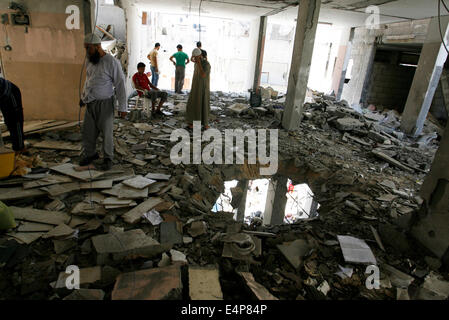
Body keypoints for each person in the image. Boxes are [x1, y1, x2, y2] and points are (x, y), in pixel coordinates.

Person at [79, 33, 127, 171]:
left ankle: (108, 158)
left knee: (106, 133)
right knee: (88, 131)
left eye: (88, 48)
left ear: (97, 46)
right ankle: (91, 154)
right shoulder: (90, 61)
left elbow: (120, 85)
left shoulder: (111, 62)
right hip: (90, 102)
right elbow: (88, 81)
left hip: (105, 104)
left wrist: (123, 107)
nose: (87, 51)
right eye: (85, 48)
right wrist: (83, 97)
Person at [0, 76, 26, 154]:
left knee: (15, 120)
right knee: (8, 121)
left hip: (10, 92)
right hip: (2, 96)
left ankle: (20, 149)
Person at [186, 48, 210, 129]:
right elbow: (192, 59)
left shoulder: (206, 64)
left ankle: (205, 124)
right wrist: (194, 57)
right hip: (196, 87)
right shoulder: (196, 63)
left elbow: (203, 75)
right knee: (194, 104)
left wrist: (199, 62)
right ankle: (192, 122)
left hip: (202, 87)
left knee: (202, 104)